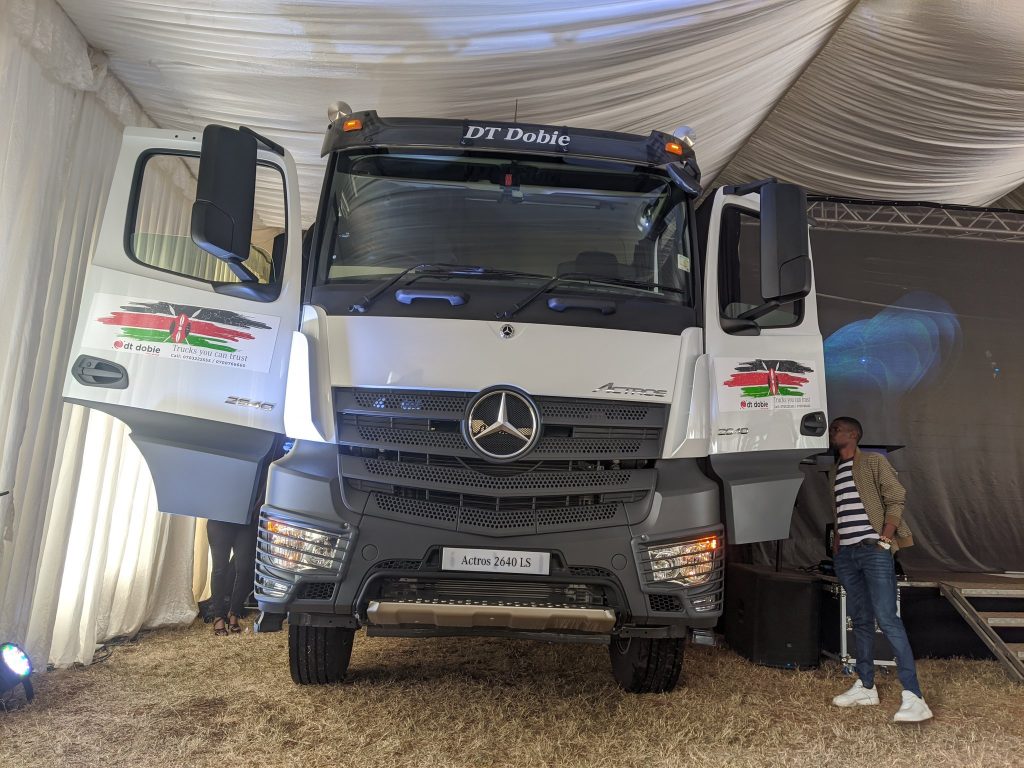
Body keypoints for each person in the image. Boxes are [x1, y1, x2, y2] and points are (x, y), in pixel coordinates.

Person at [827, 416, 932, 722]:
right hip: (847, 555)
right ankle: (866, 685)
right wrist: (837, 547)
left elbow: (896, 498)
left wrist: (885, 537)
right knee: (860, 619)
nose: (832, 432)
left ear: (854, 434)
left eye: (838, 428)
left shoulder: (873, 462)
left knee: (887, 618)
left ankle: (914, 696)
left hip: (873, 551)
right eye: (832, 429)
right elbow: (841, 512)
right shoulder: (835, 471)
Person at [208, 515, 259, 636]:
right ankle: (218, 616)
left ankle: (234, 613)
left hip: (246, 522)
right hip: (219, 520)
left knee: (244, 569)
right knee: (219, 569)